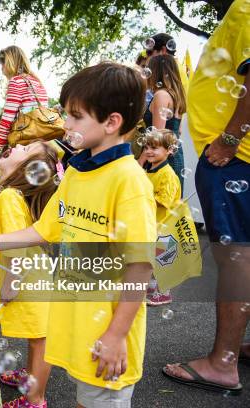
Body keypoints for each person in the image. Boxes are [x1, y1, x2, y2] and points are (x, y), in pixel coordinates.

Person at [0, 62, 156, 408]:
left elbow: (139, 267)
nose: (65, 124)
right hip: (79, 325)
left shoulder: (128, 180)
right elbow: (42, 229)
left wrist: (116, 335)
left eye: (75, 116)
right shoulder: (78, 175)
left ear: (112, 122)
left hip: (106, 334)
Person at [162, 0, 248, 396]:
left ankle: (221, 363)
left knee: (236, 257)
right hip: (236, 155)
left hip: (237, 157)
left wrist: (230, 139)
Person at [0, 141, 59, 408]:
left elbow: (15, 247)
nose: (19, 144)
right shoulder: (12, 193)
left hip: (26, 279)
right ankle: (29, 374)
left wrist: (9, 285)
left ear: (26, 170)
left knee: (39, 339)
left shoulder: (10, 196)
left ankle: (35, 399)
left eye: (26, 149)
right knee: (33, 334)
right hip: (33, 276)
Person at [0, 46, 48, 160]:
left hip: (26, 146)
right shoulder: (36, 81)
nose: (1, 68)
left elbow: (7, 119)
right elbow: (34, 111)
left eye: (2, 63)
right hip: (42, 143)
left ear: (8, 63)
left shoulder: (16, 81)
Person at [142, 130, 181, 306]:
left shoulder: (167, 174)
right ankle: (151, 290)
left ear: (169, 151)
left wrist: (141, 198)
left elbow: (163, 201)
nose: (149, 151)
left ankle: (163, 293)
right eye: (147, 147)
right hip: (151, 223)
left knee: (160, 262)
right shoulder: (148, 171)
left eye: (155, 148)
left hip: (163, 226)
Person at [143, 54, 186, 188]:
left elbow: (157, 136)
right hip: (175, 154)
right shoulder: (177, 95)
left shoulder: (161, 95)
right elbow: (178, 130)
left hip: (161, 159)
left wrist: (140, 161)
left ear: (155, 71)